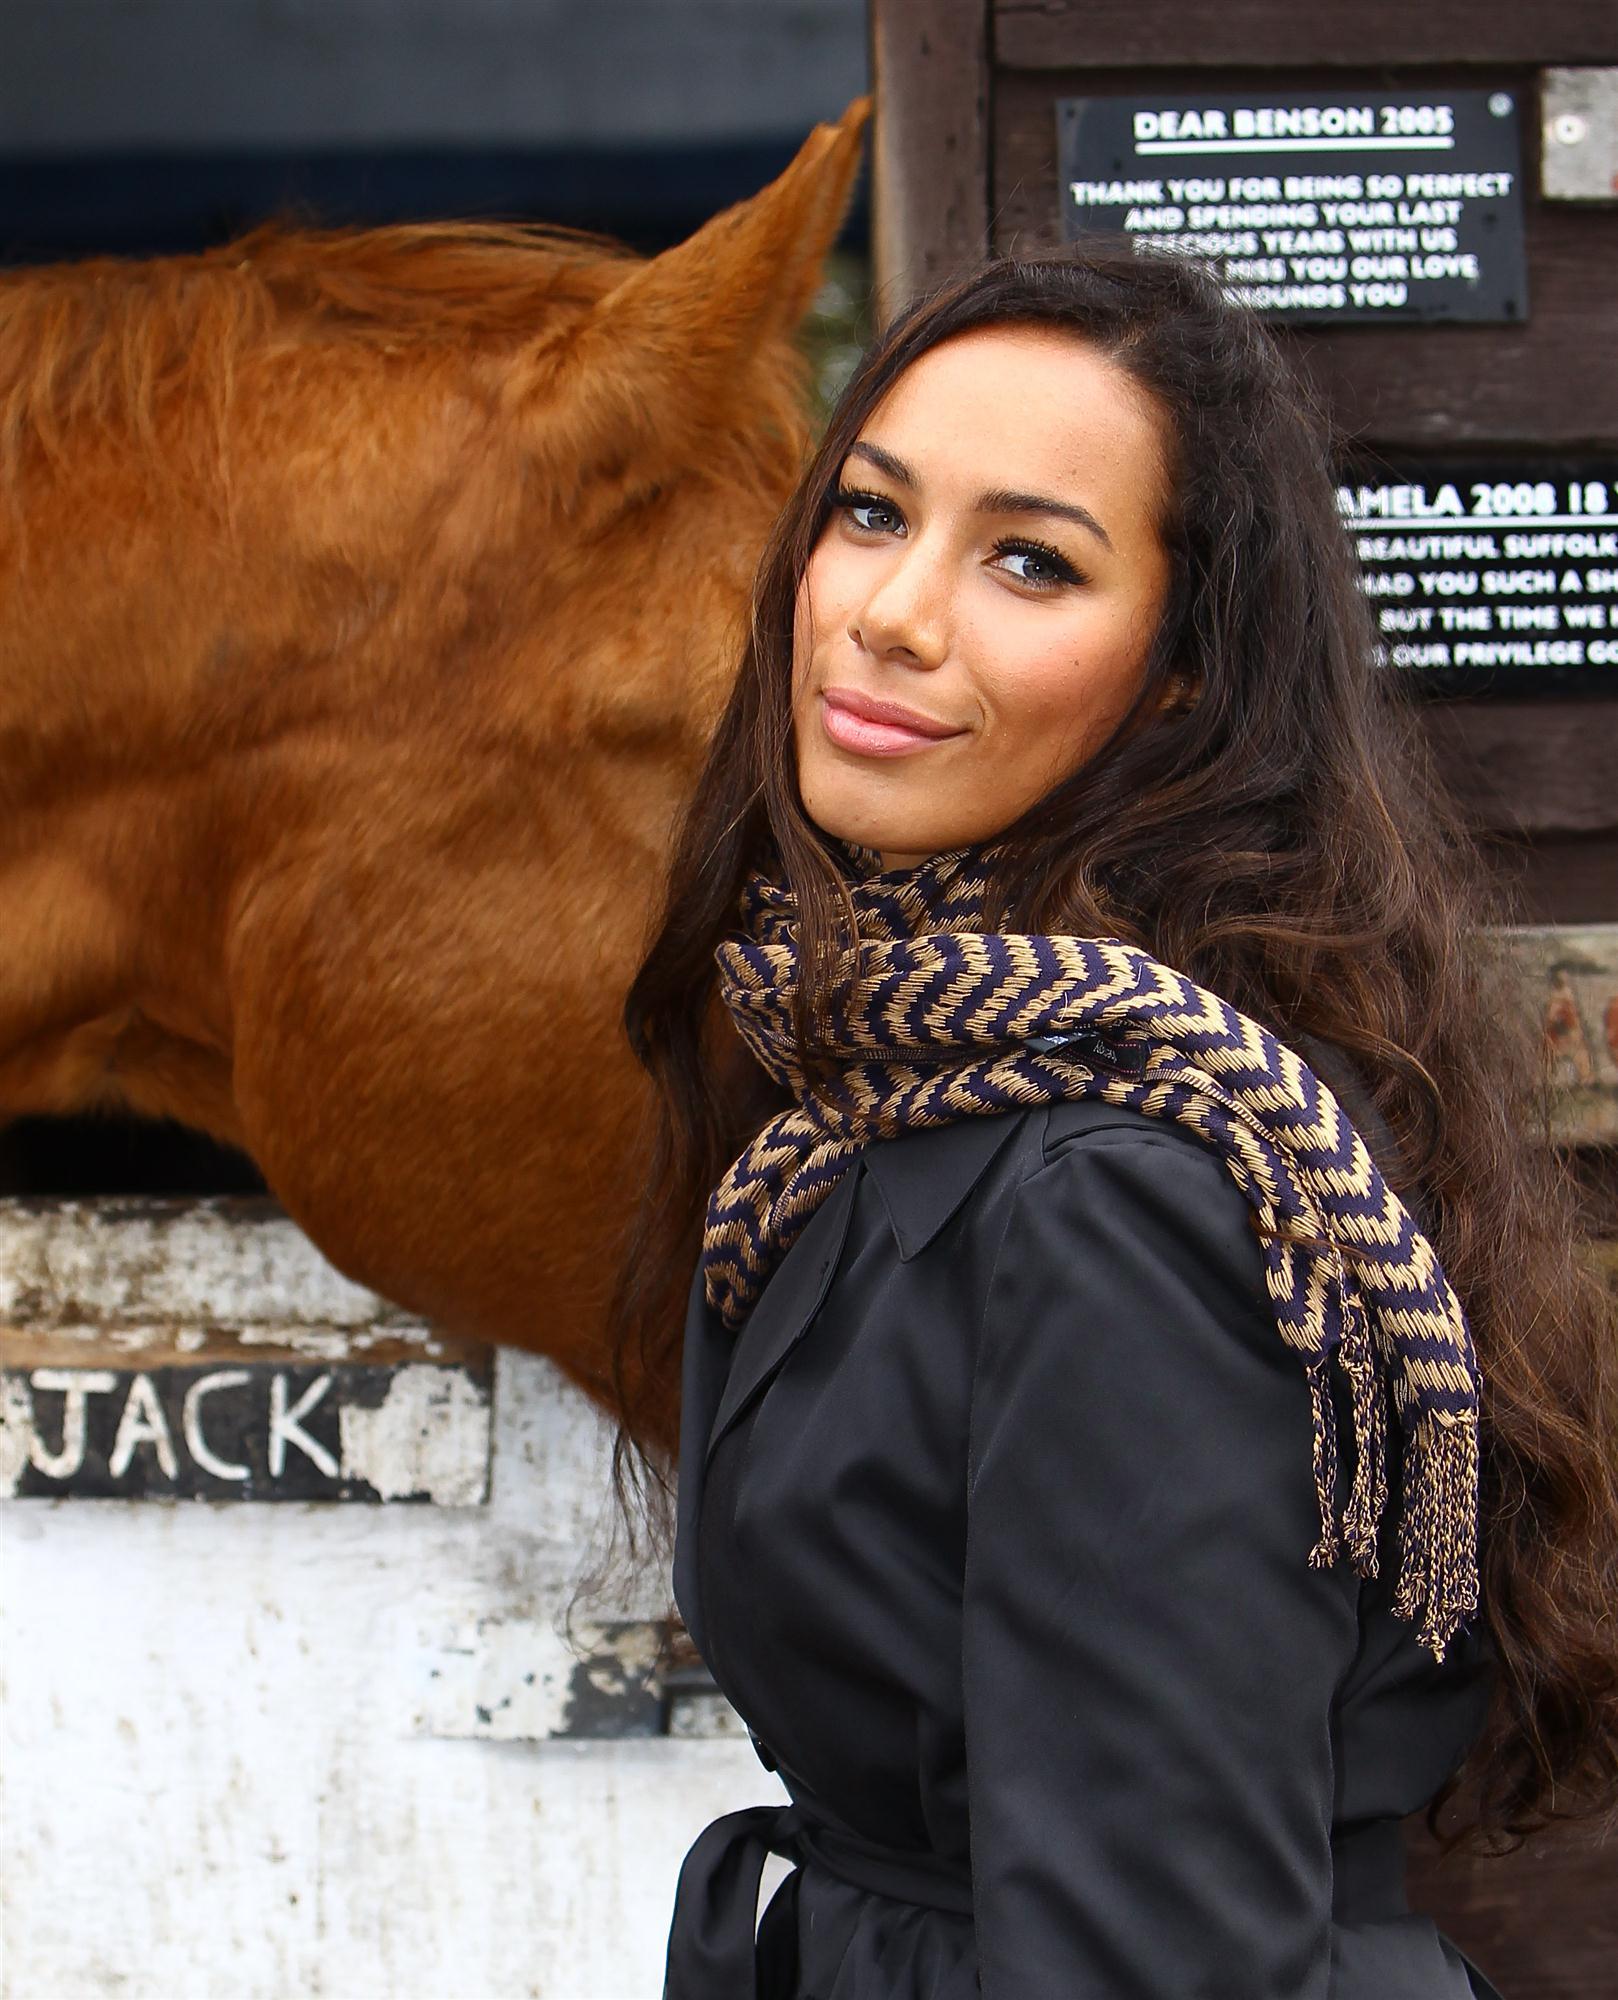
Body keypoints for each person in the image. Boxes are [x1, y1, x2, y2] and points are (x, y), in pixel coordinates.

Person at [607, 252, 1618, 1998]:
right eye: (868, 513)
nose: (893, 612)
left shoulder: (1119, 1194)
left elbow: (1161, 1955)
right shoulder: (887, 1090)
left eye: (1028, 560)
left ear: (1174, 679)